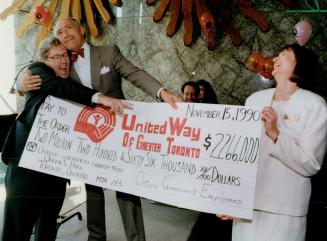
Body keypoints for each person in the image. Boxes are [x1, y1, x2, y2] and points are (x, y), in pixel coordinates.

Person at [20, 17, 180, 241]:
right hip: (86, 135)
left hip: (117, 132)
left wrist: (162, 92)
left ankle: (136, 238)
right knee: (92, 188)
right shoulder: (61, 62)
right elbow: (37, 75)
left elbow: (135, 74)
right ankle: (96, 237)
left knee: (127, 187)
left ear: (81, 29)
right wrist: (21, 84)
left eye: (69, 28)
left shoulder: (108, 52)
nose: (64, 34)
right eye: (59, 32)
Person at [1, 36, 129, 241]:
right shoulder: (38, 71)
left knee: (47, 228)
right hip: (26, 168)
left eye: (66, 57)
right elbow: (59, 88)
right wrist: (100, 97)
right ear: (44, 60)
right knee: (17, 229)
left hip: (55, 170)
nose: (63, 61)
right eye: (57, 57)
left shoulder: (69, 81)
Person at [218, 44, 327, 241]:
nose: (276, 58)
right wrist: (231, 199)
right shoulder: (254, 100)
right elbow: (240, 156)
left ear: (300, 64)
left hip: (285, 211)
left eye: (284, 55)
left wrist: (276, 134)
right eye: (277, 54)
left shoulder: (314, 104)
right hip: (248, 207)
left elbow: (312, 163)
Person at [186, 80, 231, 241]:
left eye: (202, 90)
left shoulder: (219, 112)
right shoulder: (191, 110)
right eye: (198, 91)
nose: (200, 93)